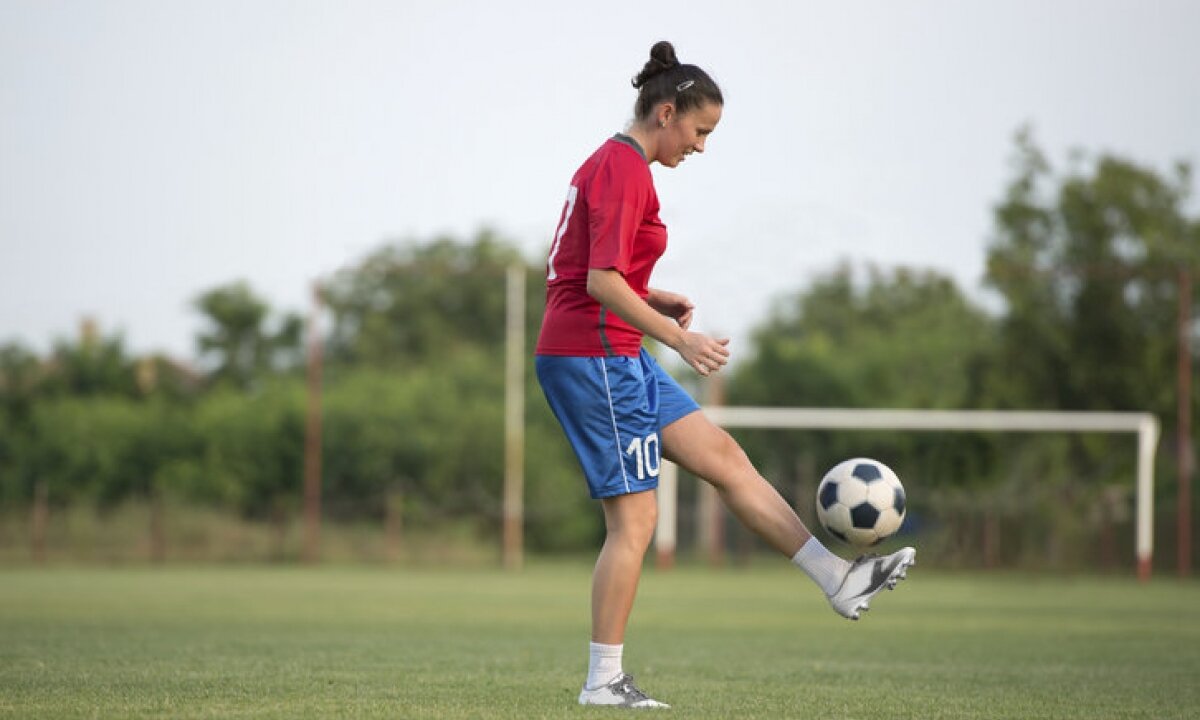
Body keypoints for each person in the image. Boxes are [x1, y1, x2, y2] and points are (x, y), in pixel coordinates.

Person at [534, 40, 916, 710]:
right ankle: (603, 682)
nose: (702, 147)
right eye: (699, 131)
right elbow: (596, 282)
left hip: (617, 348)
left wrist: (654, 299)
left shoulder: (614, 163)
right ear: (665, 113)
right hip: (595, 357)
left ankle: (838, 580)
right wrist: (678, 335)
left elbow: (583, 271)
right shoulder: (625, 170)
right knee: (636, 521)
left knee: (726, 460)